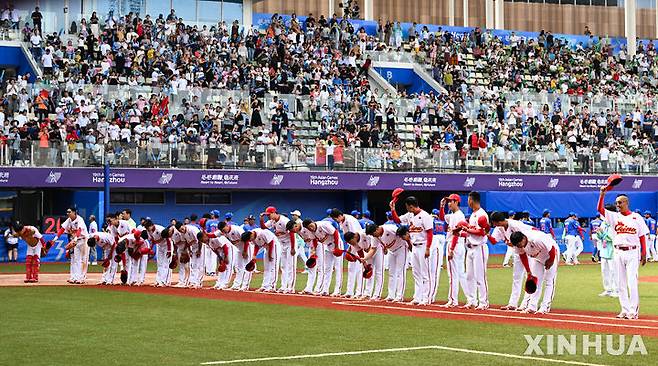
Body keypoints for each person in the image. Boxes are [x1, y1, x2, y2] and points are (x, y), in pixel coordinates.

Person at [598, 187, 649, 319]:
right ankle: (624, 310)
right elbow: (600, 209)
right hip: (618, 252)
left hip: (632, 251)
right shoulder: (614, 217)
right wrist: (602, 194)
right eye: (616, 203)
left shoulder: (636, 217)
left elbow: (642, 235)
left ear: (626, 203)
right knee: (620, 283)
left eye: (620, 202)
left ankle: (633, 311)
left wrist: (644, 253)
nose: (617, 205)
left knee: (632, 282)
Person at [390, 196, 433, 306]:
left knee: (425, 274)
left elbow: (430, 233)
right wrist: (393, 209)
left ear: (411, 206)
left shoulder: (425, 216)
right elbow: (397, 220)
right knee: (416, 273)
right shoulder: (409, 215)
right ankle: (417, 297)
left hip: (423, 245)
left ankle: (425, 298)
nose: (407, 208)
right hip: (414, 247)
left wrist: (428, 248)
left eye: (407, 207)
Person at [489, 211, 536, 311]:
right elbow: (493, 241)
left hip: (529, 248)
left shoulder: (515, 225)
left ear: (499, 221)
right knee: (516, 277)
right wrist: (486, 234)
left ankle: (526, 303)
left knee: (530, 276)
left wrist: (528, 269)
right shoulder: (499, 228)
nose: (493, 225)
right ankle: (512, 303)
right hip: (518, 250)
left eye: (494, 222)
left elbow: (532, 232)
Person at [509, 230, 560, 314]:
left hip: (551, 254)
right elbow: (523, 256)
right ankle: (532, 306)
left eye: (519, 244)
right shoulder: (518, 245)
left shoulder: (536, 239)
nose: (519, 246)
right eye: (517, 245)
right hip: (537, 258)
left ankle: (545, 307)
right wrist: (528, 272)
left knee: (549, 281)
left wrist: (550, 261)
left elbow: (552, 249)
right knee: (536, 281)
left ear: (523, 238)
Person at [460, 192, 490, 310]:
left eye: (468, 199)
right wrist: (462, 232)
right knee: (469, 276)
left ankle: (483, 302)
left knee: (480, 276)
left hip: (480, 248)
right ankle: (472, 301)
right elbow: (471, 231)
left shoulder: (482, 214)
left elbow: (482, 232)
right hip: (470, 247)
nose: (468, 201)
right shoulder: (473, 214)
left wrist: (467, 229)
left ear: (472, 200)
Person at [368, 223, 409, 302]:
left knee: (400, 272)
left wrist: (409, 245)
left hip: (401, 248)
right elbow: (373, 249)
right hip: (391, 251)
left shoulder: (390, 228)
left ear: (377, 229)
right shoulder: (375, 236)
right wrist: (365, 258)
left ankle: (399, 296)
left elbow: (404, 233)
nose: (373, 236)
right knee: (391, 273)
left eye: (373, 234)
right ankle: (391, 295)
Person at [440, 193, 468, 308]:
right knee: (461, 274)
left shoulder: (457, 215)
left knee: (453, 275)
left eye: (450, 201)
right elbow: (443, 218)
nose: (449, 203)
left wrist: (451, 249)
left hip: (454, 244)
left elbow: (456, 233)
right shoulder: (454, 214)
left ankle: (453, 300)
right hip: (458, 245)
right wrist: (441, 207)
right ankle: (470, 299)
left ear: (456, 202)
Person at [302, 218, 343, 296]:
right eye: (308, 228)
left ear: (313, 222)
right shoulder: (310, 231)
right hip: (327, 246)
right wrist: (314, 250)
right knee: (327, 268)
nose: (311, 228)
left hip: (336, 244)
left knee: (338, 267)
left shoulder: (323, 225)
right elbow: (314, 240)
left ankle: (337, 290)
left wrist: (337, 247)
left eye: (311, 226)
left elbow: (336, 233)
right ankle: (325, 290)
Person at [49, 206, 89, 284]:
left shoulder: (80, 219)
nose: (68, 213)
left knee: (84, 259)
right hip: (76, 241)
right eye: (67, 212)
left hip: (84, 240)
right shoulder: (69, 220)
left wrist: (75, 239)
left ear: (74, 212)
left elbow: (79, 230)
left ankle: (82, 278)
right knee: (76, 259)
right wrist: (55, 239)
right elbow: (62, 229)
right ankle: (75, 277)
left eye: (69, 212)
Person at [261, 206, 295, 294]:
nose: (268, 216)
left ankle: (291, 287)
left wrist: (293, 247)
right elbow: (264, 228)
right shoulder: (272, 221)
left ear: (274, 213)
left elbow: (292, 233)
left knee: (291, 266)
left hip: (290, 244)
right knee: (283, 266)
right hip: (281, 244)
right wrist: (261, 219)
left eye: (269, 214)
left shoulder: (284, 220)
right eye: (267, 215)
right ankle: (283, 286)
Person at [330, 209, 363, 298]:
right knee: (351, 268)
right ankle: (349, 291)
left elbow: (355, 236)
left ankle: (359, 292)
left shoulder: (350, 220)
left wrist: (352, 249)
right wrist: (349, 249)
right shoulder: (342, 222)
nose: (336, 220)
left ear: (340, 215)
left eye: (336, 218)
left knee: (359, 269)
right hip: (352, 245)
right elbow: (348, 237)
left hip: (359, 244)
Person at [344, 230, 384, 301]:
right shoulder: (354, 243)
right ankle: (367, 294)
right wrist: (364, 263)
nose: (351, 244)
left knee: (378, 272)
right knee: (368, 271)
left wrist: (385, 247)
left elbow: (377, 238)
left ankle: (377, 294)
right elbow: (360, 252)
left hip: (377, 250)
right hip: (368, 253)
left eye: (350, 242)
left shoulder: (364, 234)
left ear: (354, 237)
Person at [241, 228, 280, 292]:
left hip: (274, 246)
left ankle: (272, 286)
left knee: (273, 267)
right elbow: (256, 245)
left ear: (251, 236)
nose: (250, 241)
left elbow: (271, 242)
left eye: (249, 239)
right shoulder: (252, 237)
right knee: (266, 268)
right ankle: (264, 286)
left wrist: (270, 254)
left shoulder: (262, 233)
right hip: (267, 247)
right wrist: (254, 255)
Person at [594, 207, 618, 297]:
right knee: (604, 270)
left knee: (613, 270)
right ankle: (607, 289)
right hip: (604, 250)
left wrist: (602, 233)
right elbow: (600, 237)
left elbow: (612, 237)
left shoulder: (614, 222)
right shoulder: (603, 223)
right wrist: (598, 233)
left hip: (612, 250)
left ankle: (616, 290)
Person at [143, 219, 172, 287]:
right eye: (146, 227)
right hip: (159, 246)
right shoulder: (148, 231)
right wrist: (150, 249)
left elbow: (167, 239)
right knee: (159, 263)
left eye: (147, 227)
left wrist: (169, 250)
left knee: (166, 263)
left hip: (167, 246)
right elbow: (153, 240)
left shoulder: (159, 229)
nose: (147, 229)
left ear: (152, 225)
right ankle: (158, 281)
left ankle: (165, 282)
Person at [429, 208, 446, 303]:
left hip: (434, 238)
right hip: (441, 237)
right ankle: (439, 264)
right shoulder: (441, 221)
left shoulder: (430, 219)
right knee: (436, 266)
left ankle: (430, 295)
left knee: (430, 270)